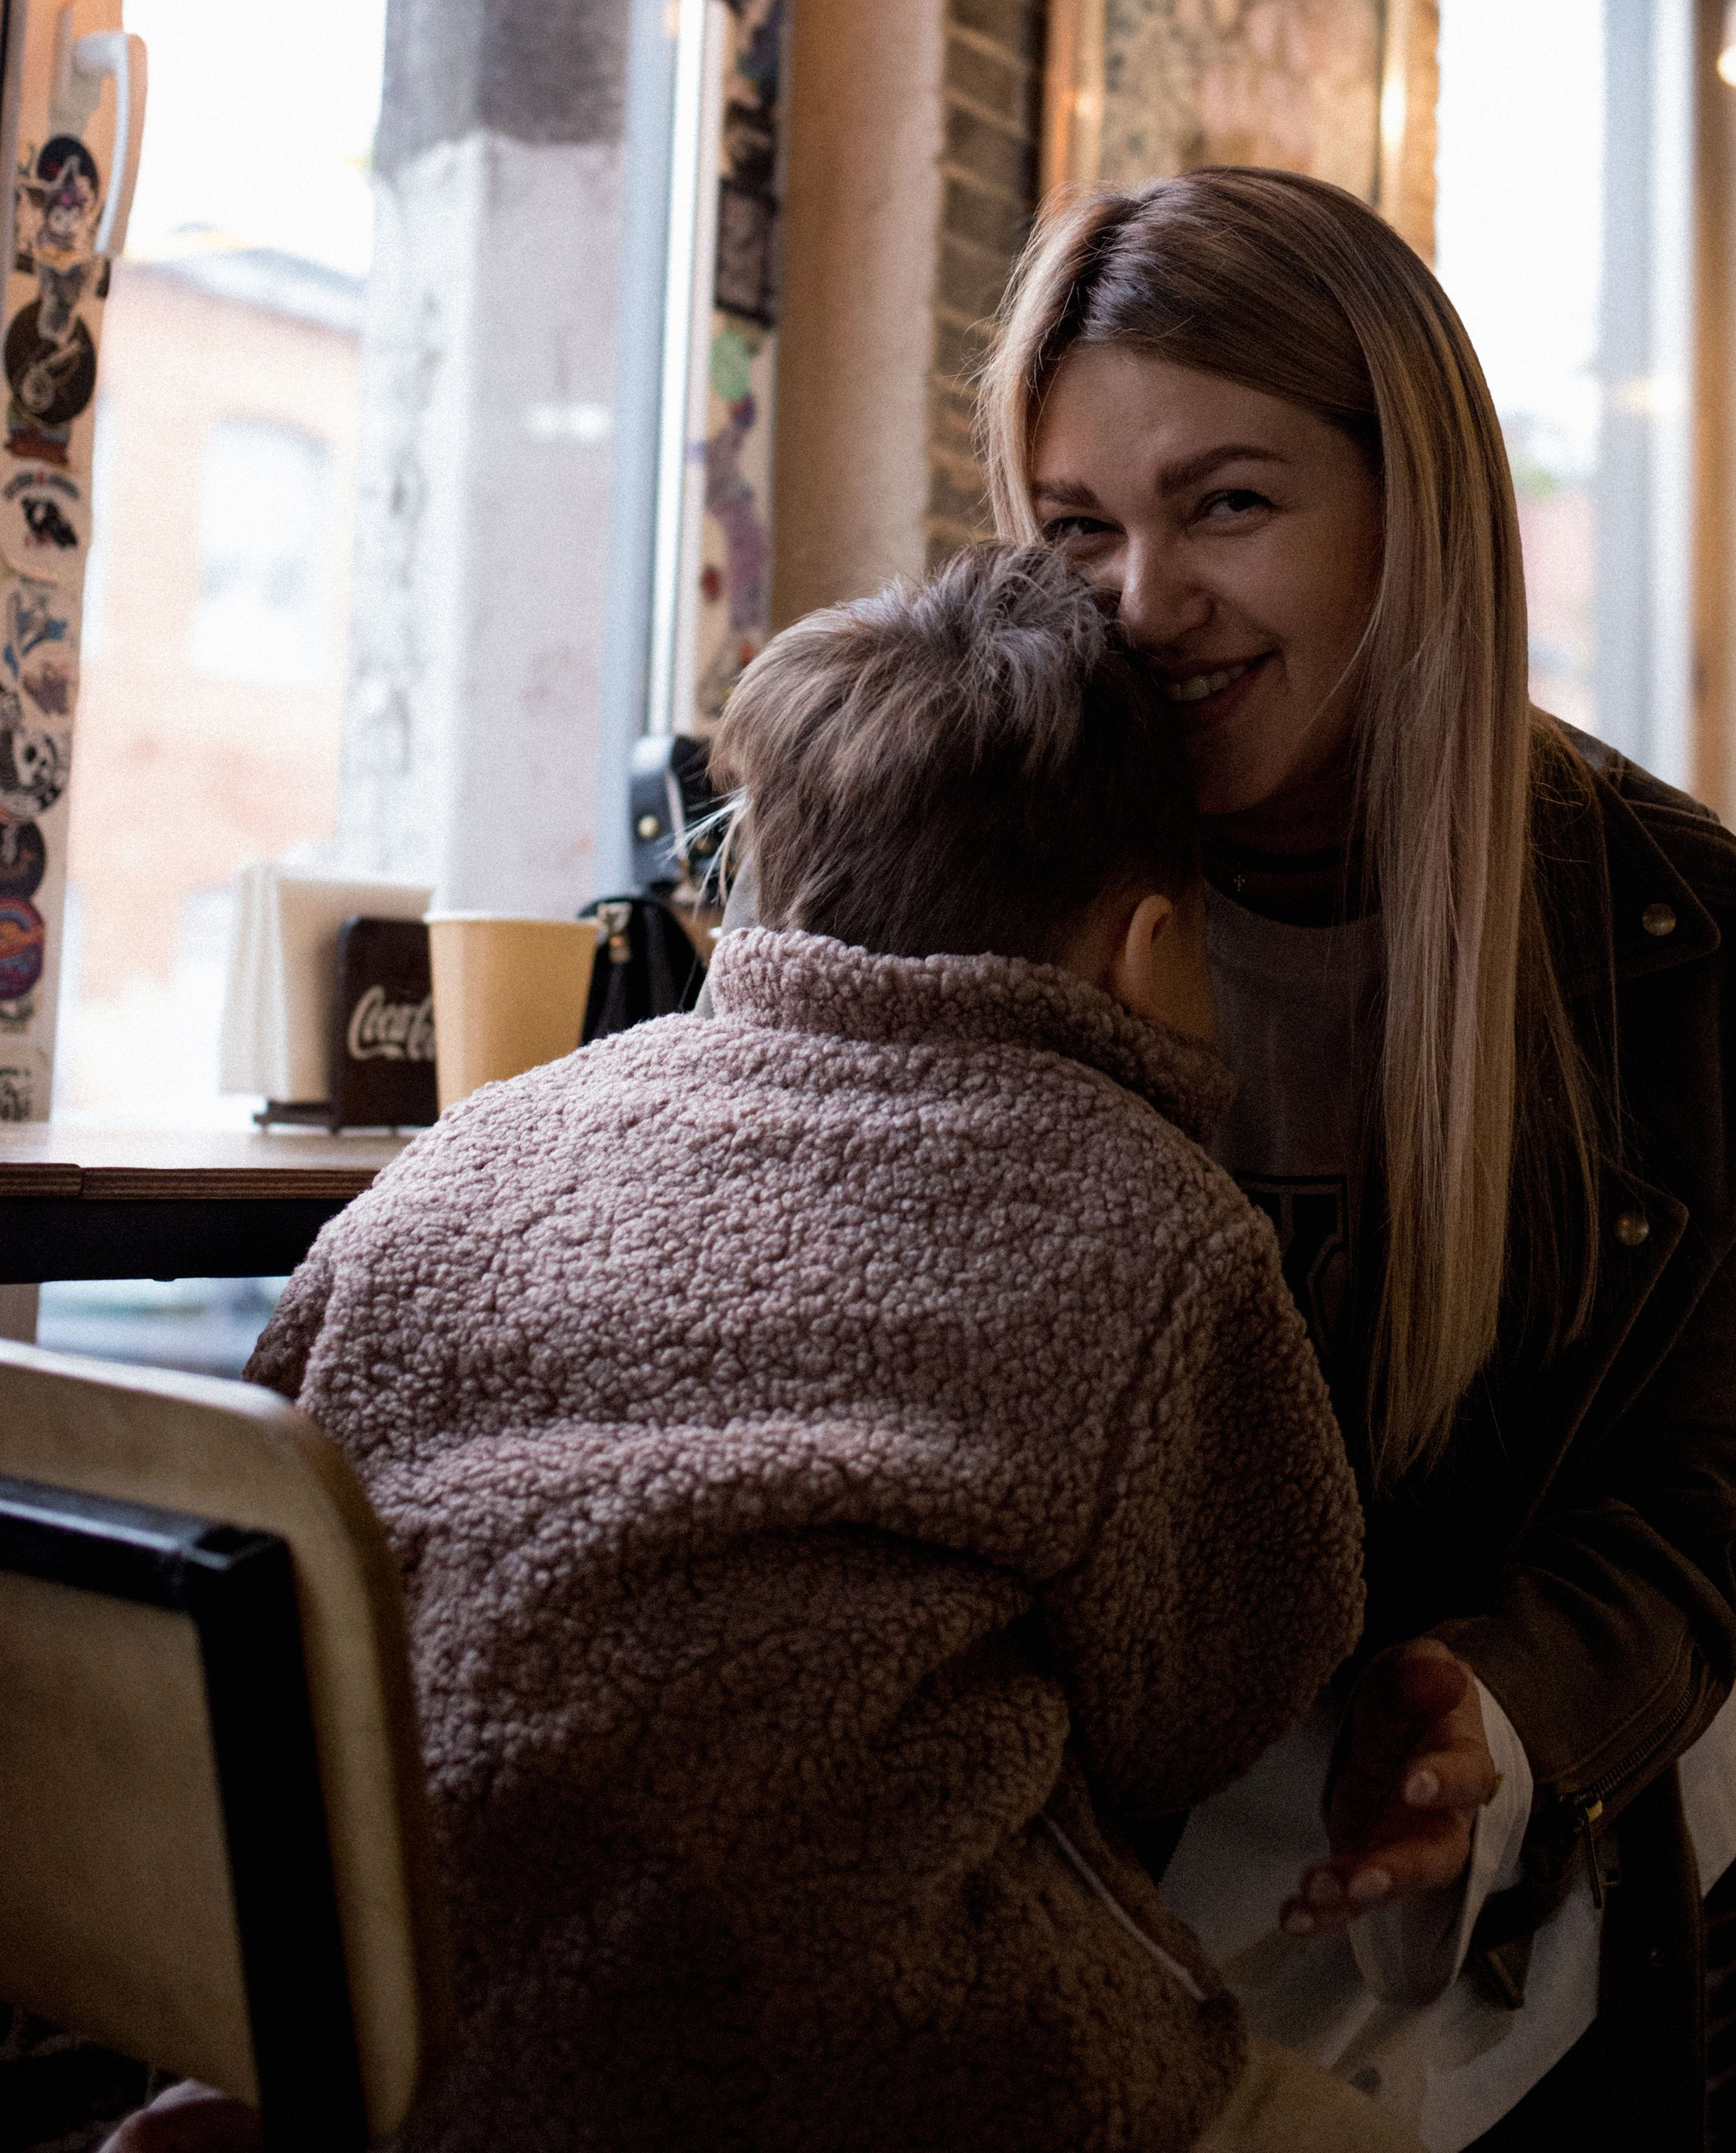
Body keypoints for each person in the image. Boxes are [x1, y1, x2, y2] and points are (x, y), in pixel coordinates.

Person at [234, 546, 1404, 2153]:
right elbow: (1218, 1699)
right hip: (852, 2063)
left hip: (368, 2047)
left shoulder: (474, 1147)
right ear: (1149, 945)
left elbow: (268, 1507)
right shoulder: (1157, 1224)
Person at [978, 167, 1736, 2153]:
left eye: (1226, 505)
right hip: (1034, 1826)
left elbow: (1680, 1507)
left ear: (1410, 508)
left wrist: (1491, 1718)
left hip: (1454, 1841)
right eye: (1078, 527)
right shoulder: (958, 869)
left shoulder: (1675, 936)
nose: (1141, 604)